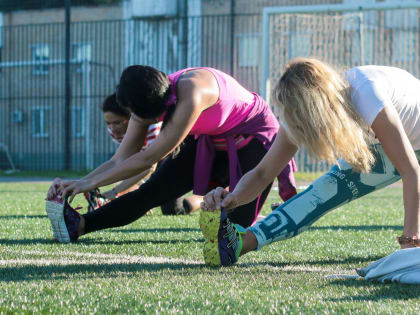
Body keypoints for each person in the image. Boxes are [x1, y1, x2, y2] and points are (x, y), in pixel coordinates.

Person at [200, 58, 420, 266]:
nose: (301, 127)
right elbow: (263, 173)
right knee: (328, 188)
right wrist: (232, 198)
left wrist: (410, 242)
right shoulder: (298, 111)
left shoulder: (367, 94)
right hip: (405, 142)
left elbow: (411, 172)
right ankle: (240, 242)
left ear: (317, 108)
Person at [45, 65, 297, 243]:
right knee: (151, 193)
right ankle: (80, 225)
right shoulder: (147, 96)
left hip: (252, 141)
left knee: (233, 232)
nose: (137, 121)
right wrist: (80, 183)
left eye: (140, 117)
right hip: (211, 141)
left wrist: (89, 184)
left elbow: (146, 159)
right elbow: (119, 159)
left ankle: (262, 217)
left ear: (155, 110)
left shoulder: (193, 94)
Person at [83, 93, 202, 215]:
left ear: (133, 118)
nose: (112, 128)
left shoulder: (153, 127)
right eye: (108, 123)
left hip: (174, 154)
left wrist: (115, 192)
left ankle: (203, 198)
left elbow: (149, 166)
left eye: (117, 123)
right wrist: (82, 183)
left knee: (173, 209)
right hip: (151, 158)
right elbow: (123, 162)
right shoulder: (114, 130)